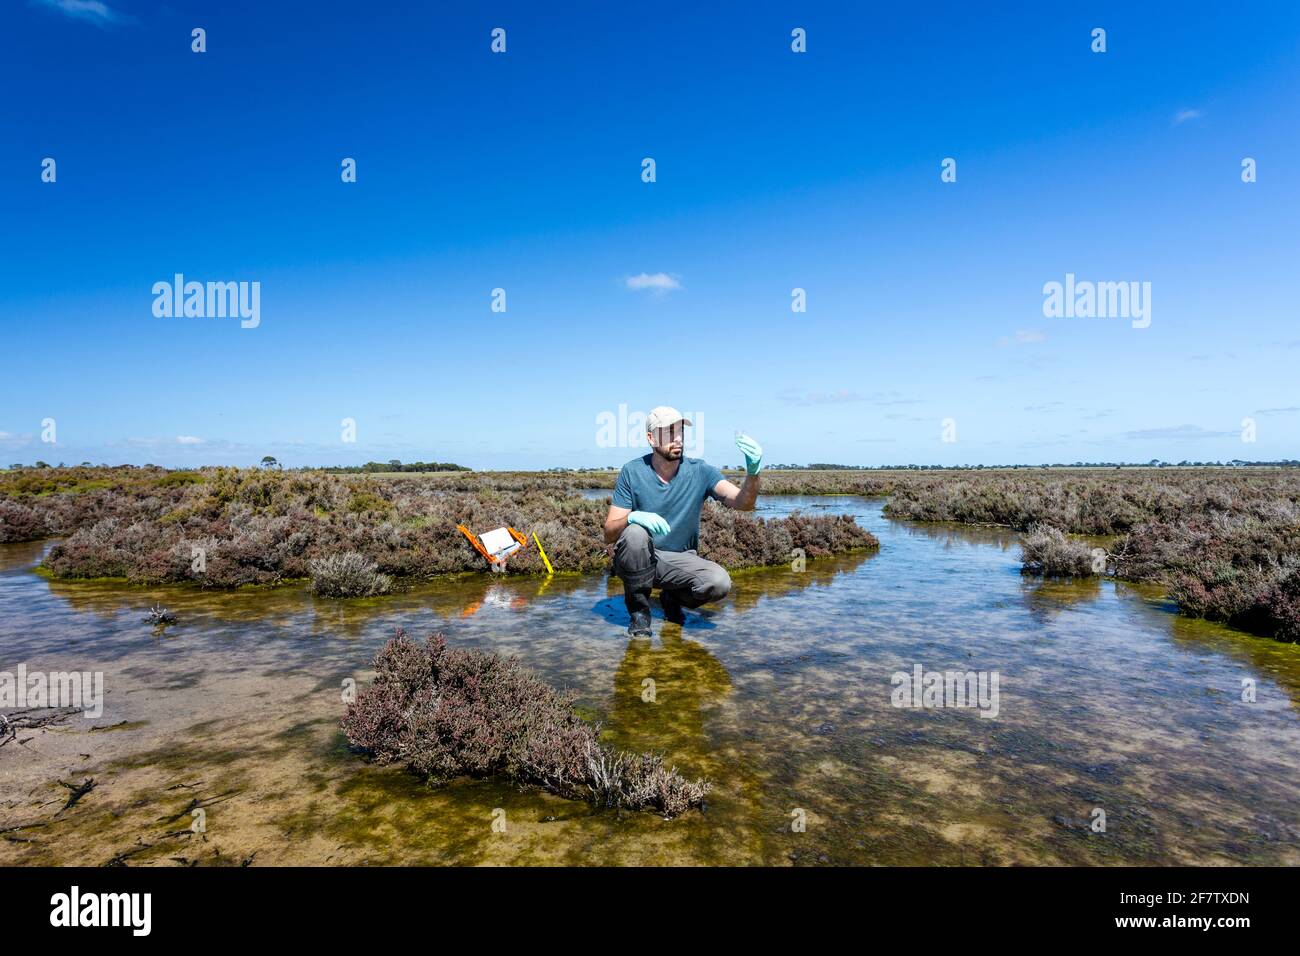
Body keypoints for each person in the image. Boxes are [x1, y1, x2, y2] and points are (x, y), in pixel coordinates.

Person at [603, 406, 763, 636]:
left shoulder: (701, 471)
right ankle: (639, 613)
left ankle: (673, 597)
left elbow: (744, 503)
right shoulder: (632, 471)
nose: (677, 438)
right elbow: (609, 534)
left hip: (680, 562)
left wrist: (753, 473)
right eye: (669, 432)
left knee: (719, 582)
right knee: (635, 534)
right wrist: (632, 518)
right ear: (650, 438)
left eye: (680, 432)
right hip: (640, 558)